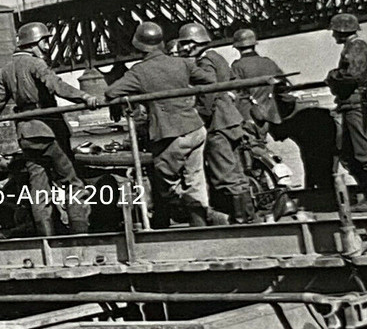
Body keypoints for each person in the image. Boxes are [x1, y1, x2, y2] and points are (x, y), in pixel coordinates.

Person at [0, 21, 100, 236]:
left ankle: (47, 240)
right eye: (44, 41)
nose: (47, 46)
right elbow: (57, 86)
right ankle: (80, 235)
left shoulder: (5, 71)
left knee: (39, 189)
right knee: (72, 182)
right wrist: (85, 96)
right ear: (33, 42)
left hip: (26, 136)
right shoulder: (36, 64)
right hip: (48, 131)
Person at [105, 21, 217, 227]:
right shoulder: (182, 63)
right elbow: (210, 79)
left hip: (169, 133)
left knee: (166, 183)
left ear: (139, 46)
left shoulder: (139, 72)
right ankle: (200, 224)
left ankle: (200, 215)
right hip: (195, 128)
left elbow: (111, 92)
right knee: (196, 180)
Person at [177, 22, 255, 223]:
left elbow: (208, 90)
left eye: (186, 43)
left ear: (196, 43)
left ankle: (241, 220)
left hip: (218, 124)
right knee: (236, 171)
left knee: (224, 174)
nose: (183, 48)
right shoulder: (219, 58)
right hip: (231, 120)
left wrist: (199, 114)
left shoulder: (205, 62)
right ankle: (248, 216)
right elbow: (233, 84)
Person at [326, 13, 367, 211]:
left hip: (357, 104)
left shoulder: (356, 47)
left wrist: (332, 76)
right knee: (349, 153)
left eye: (335, 31)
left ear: (342, 31)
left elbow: (351, 76)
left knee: (366, 151)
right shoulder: (353, 47)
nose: (333, 35)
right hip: (351, 104)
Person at [230, 28, 287, 145]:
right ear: (254, 44)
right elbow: (282, 84)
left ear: (237, 47)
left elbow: (237, 92)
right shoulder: (268, 62)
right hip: (271, 113)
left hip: (249, 115)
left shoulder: (237, 66)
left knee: (249, 149)